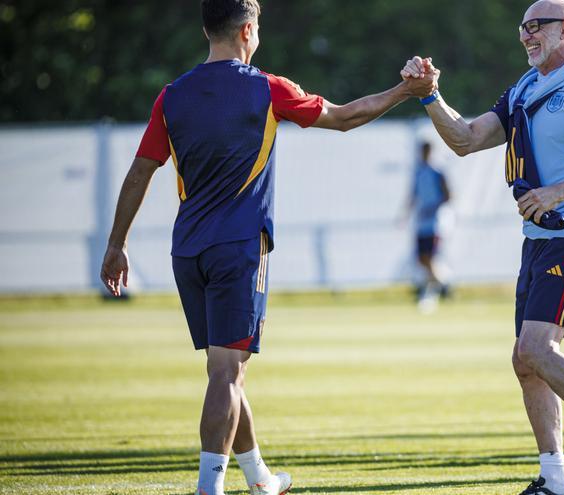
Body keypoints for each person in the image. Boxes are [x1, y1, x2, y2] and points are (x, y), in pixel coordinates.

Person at [98, 1, 436, 494]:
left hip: (187, 252)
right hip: (238, 249)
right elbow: (344, 117)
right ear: (248, 30)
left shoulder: (171, 96)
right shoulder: (266, 87)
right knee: (227, 376)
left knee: (225, 370)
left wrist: (116, 245)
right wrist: (408, 89)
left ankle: (261, 479)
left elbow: (138, 172)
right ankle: (208, 488)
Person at [402, 1, 564, 493]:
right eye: (524, 27)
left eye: (538, 27)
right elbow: (466, 139)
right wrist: (430, 94)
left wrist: (557, 192)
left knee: (537, 348)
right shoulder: (523, 88)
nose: (527, 35)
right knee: (525, 358)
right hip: (539, 238)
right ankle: (554, 480)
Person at [403, 141, 451, 305]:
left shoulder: (437, 171)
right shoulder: (418, 172)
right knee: (422, 259)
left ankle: (433, 289)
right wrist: (405, 214)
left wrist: (432, 208)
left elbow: (448, 195)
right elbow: (413, 194)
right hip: (421, 222)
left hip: (435, 222)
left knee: (430, 258)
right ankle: (442, 285)